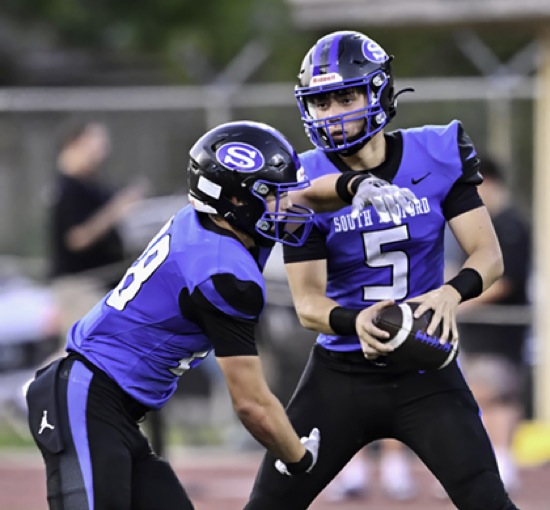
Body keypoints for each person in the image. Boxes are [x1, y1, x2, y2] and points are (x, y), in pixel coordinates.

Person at [25, 120, 414, 510]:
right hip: (84, 397)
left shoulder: (210, 220)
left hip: (110, 408)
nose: (290, 205)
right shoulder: (223, 274)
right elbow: (251, 404)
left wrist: (354, 185)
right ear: (237, 201)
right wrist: (299, 457)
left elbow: (307, 194)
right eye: (274, 194)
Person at [244, 31, 519, 510]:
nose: (332, 114)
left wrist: (451, 293)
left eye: (345, 97)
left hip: (426, 369)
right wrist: (360, 323)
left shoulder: (435, 153)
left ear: (379, 93)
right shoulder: (303, 182)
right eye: (321, 102)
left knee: (488, 501)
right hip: (341, 374)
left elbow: (488, 256)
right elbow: (308, 305)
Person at [454, 156, 531, 493]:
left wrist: (458, 301)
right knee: (488, 398)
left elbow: (504, 282)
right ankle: (493, 467)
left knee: (492, 396)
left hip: (499, 332)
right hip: (478, 332)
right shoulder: (480, 226)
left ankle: (498, 468)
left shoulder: (510, 225)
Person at [49, 120, 147, 342]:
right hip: (81, 285)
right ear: (74, 144)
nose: (101, 151)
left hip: (104, 281)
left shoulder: (93, 184)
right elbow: (77, 238)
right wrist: (116, 209)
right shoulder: (68, 188)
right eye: (94, 144)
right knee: (87, 348)